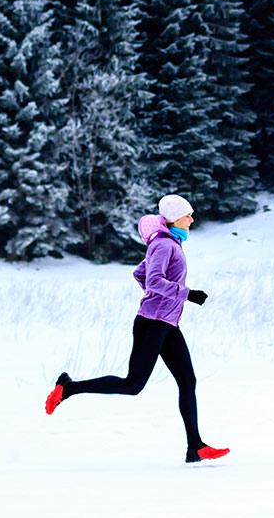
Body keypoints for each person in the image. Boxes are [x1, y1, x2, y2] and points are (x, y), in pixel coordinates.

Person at [45, 194, 230, 464]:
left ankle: (195, 446)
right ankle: (67, 388)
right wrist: (185, 294)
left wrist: (162, 299)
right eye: (187, 215)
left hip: (167, 324)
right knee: (133, 385)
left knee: (187, 381)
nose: (192, 219)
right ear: (173, 218)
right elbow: (153, 279)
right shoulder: (165, 245)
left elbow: (141, 275)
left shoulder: (170, 243)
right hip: (152, 323)